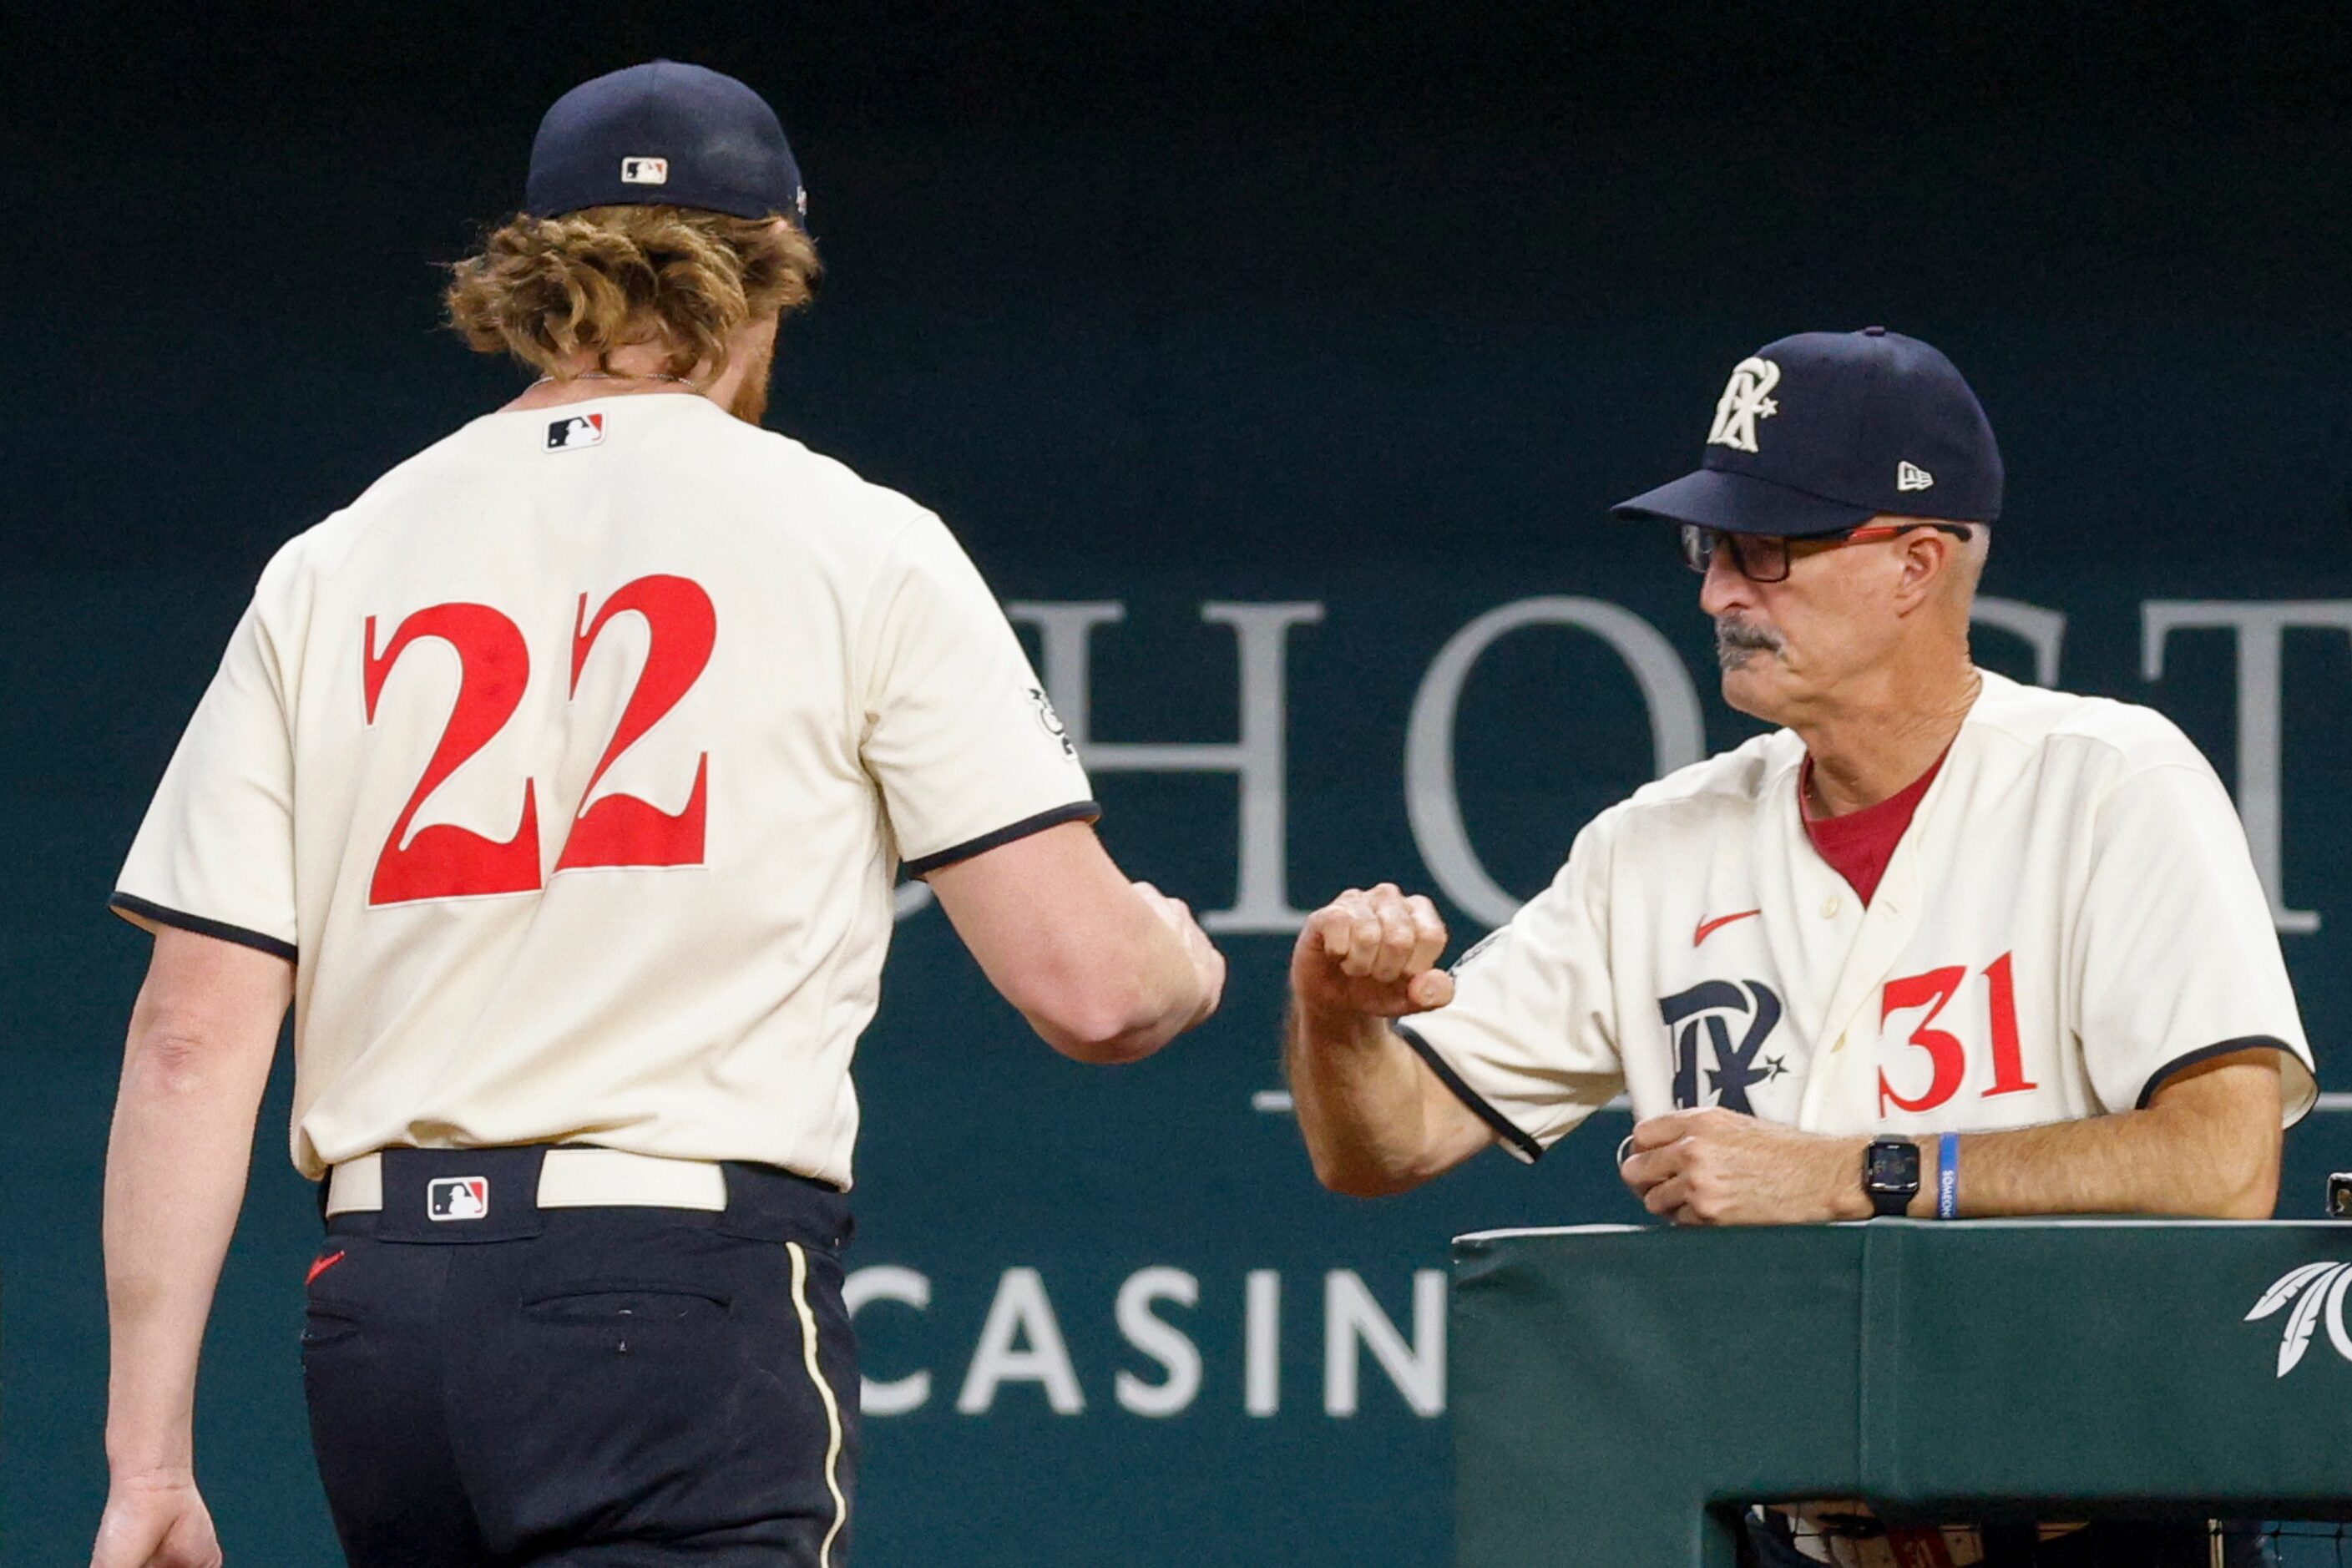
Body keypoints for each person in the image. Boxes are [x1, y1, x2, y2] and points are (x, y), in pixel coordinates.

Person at [91, 61, 1225, 1568]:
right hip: (670, 1292)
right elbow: (1089, 990)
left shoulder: (334, 560)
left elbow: (187, 1040)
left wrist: (147, 1465)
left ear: (528, 278)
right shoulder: (850, 535)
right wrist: (1183, 955)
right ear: (768, 281)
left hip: (382, 1310)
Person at [1283, 328, 2312, 1567]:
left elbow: (2216, 1161)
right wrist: (1339, 1017)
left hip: (2099, 1531)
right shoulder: (1653, 845)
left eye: (1764, 548)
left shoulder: (2106, 782)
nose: (1719, 590)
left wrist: (1851, 1175)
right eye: (1707, 549)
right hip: (1786, 1541)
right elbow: (1382, 1144)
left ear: (1913, 563)